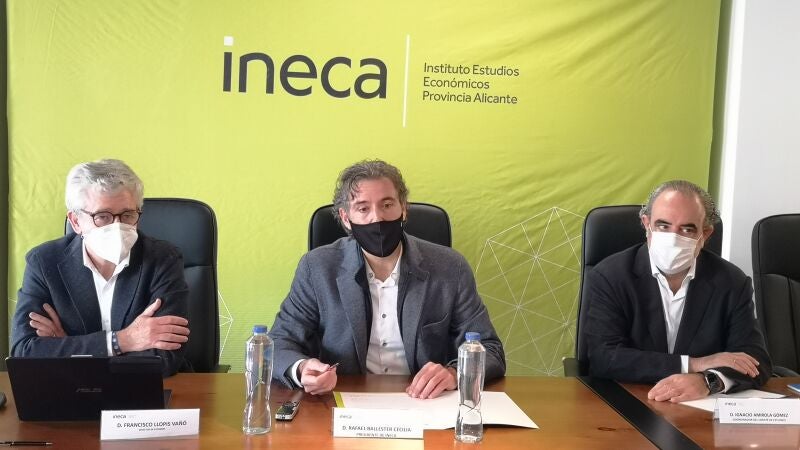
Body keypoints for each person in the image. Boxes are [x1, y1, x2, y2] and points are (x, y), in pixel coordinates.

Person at [270, 159, 505, 399]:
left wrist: (453, 374)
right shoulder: (317, 268)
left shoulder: (450, 267)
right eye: (363, 209)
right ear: (345, 217)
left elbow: (491, 350)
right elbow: (278, 342)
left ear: (404, 208)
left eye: (387, 205)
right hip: (342, 400)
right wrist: (302, 368)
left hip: (425, 401)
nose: (377, 218)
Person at [584, 180, 772, 402]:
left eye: (687, 229)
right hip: (626, 403)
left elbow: (755, 360)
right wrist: (695, 364)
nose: (673, 238)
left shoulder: (732, 282)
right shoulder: (610, 276)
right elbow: (604, 358)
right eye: (663, 226)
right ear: (646, 224)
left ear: (705, 234)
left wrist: (708, 381)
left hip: (698, 408)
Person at [11, 159, 191, 376]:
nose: (117, 226)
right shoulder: (44, 262)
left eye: (127, 215)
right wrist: (121, 341)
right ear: (76, 221)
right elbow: (24, 354)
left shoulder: (163, 259)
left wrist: (68, 347)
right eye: (102, 216)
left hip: (145, 390)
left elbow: (164, 359)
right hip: (69, 391)